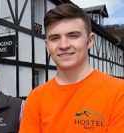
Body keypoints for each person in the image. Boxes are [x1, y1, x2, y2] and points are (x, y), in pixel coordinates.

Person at [19, 3, 124, 133]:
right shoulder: (35, 98)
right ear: (47, 45)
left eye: (73, 36)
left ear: (90, 40)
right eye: (55, 38)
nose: (64, 45)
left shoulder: (119, 93)